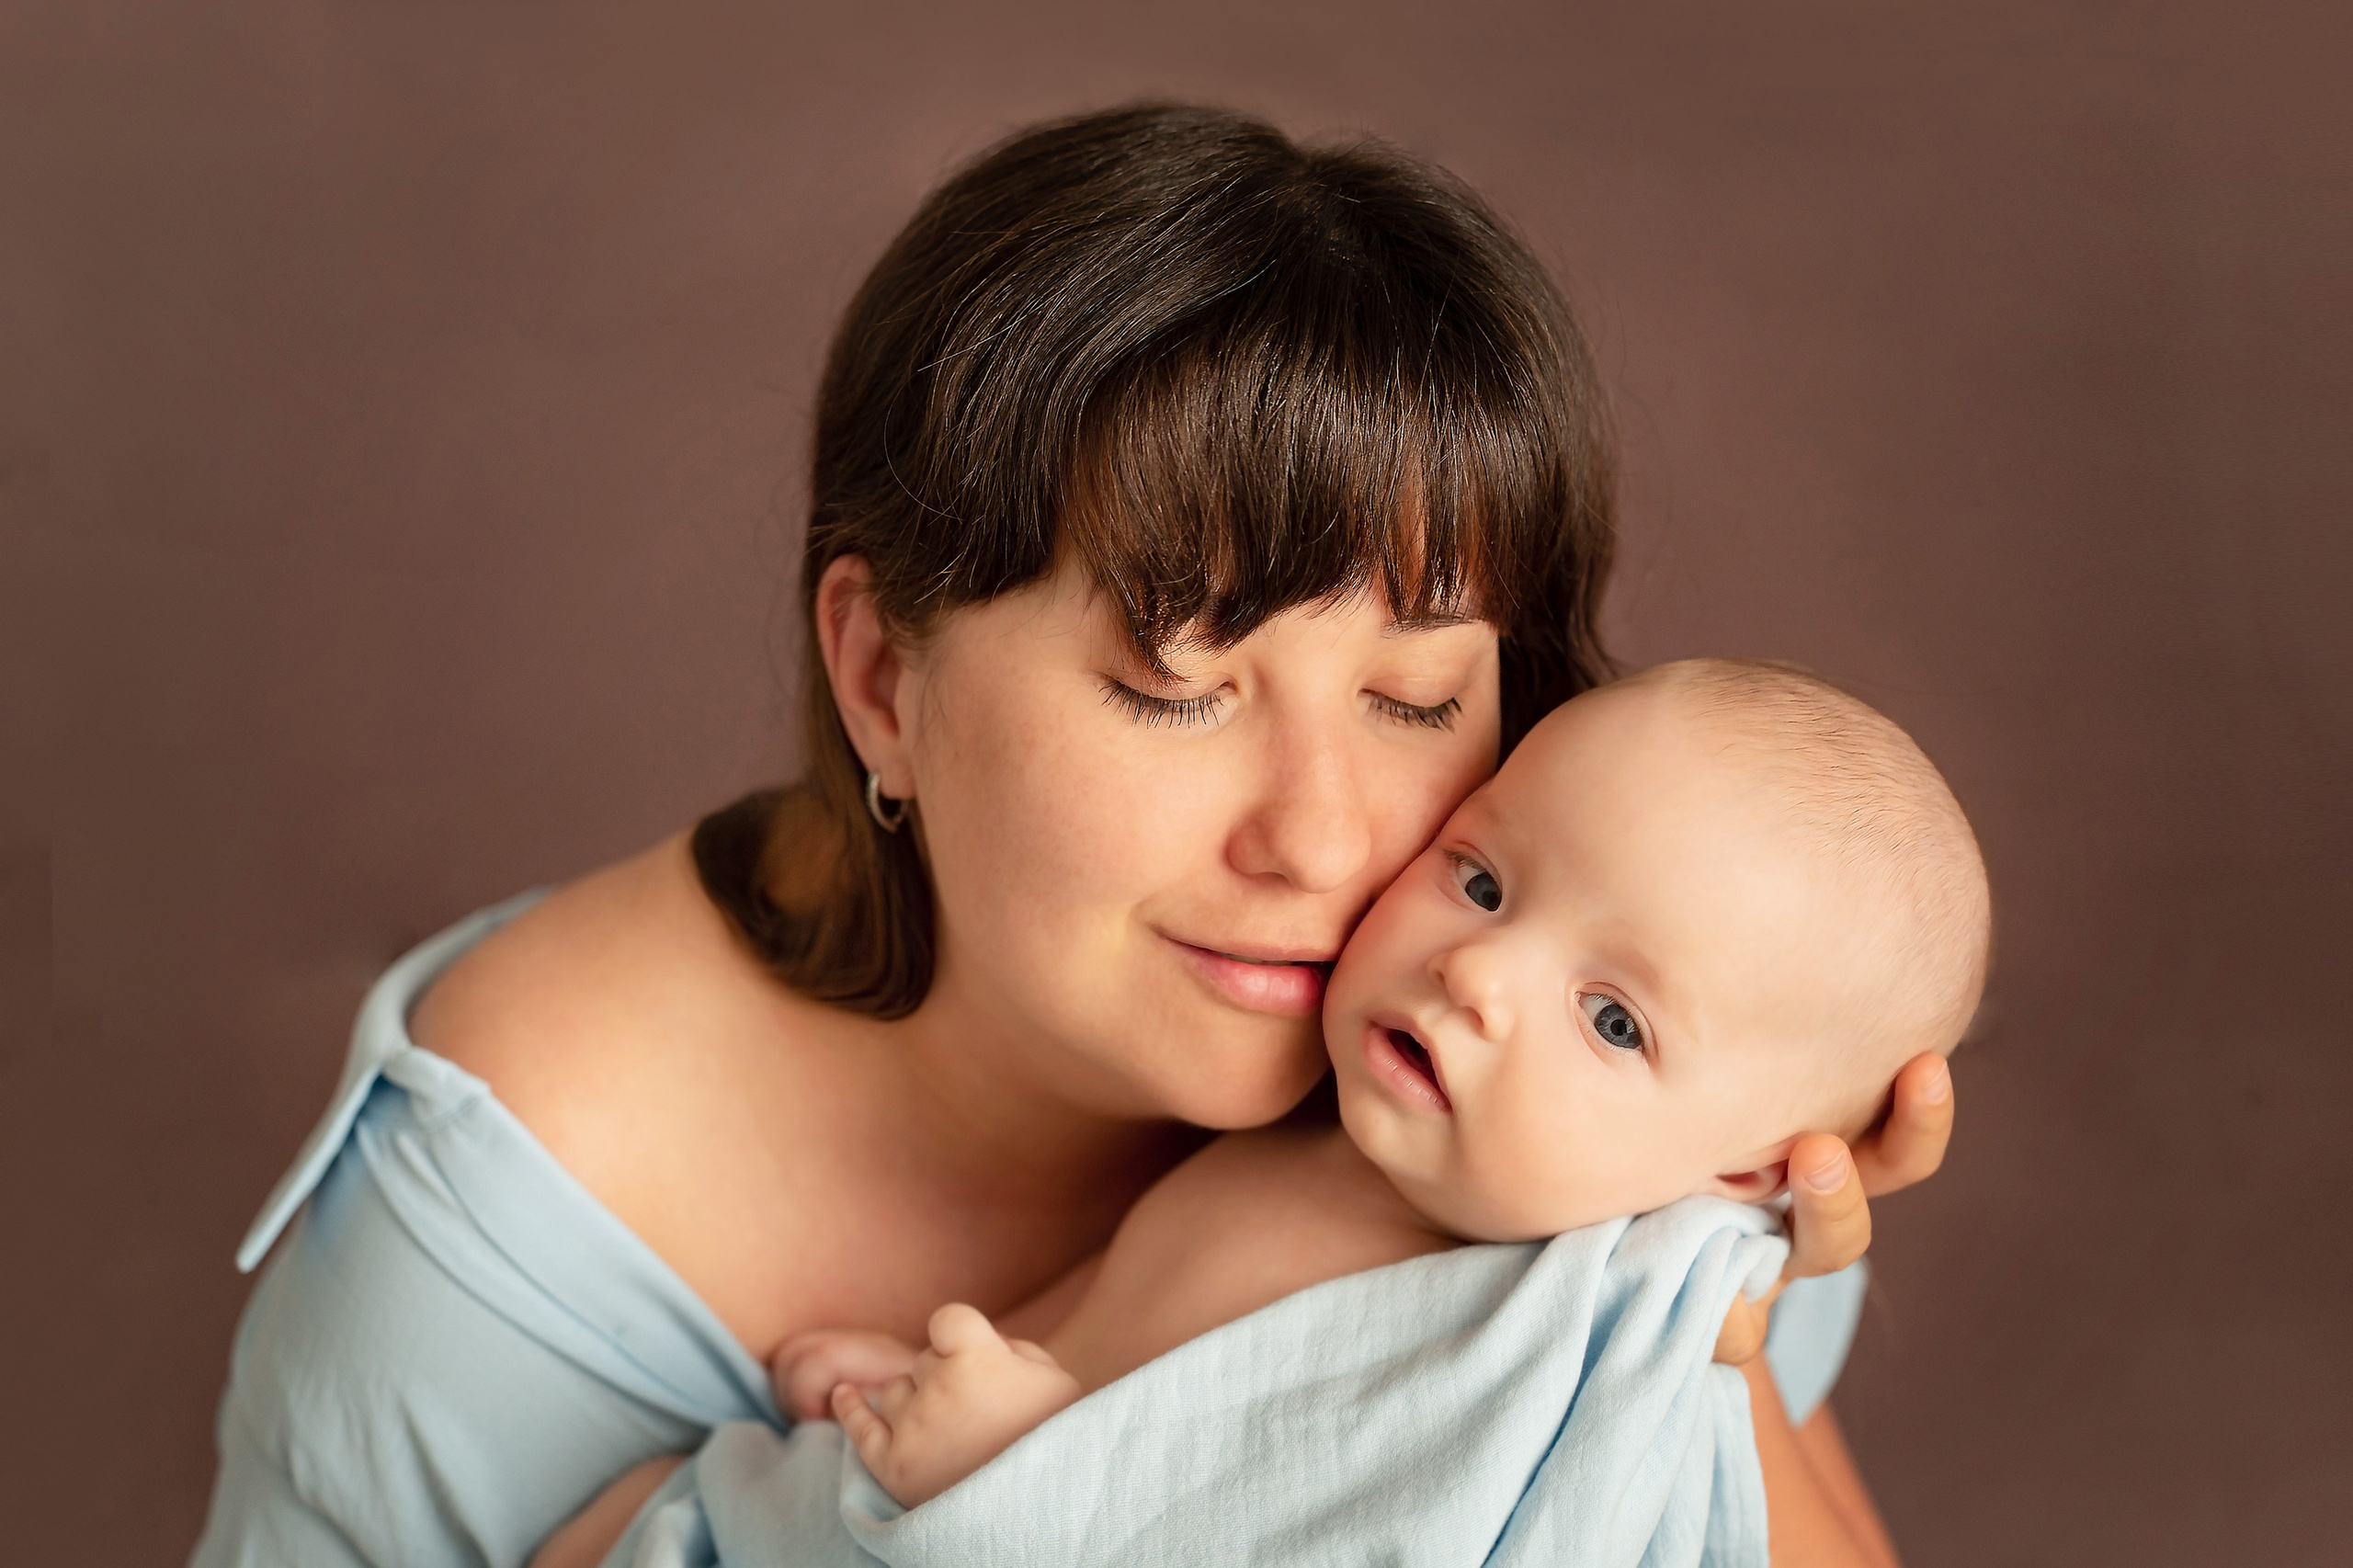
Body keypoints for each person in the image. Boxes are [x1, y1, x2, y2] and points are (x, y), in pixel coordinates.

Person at [192, 106, 1952, 1568]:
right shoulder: (477, 1264)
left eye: (1417, 702)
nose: (1329, 837)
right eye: (1181, 686)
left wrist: (1681, 1322)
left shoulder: (1531, 1047)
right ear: (886, 676)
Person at [779, 659, 1985, 1565]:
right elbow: (1111, 1329)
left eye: (1613, 1019)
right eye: (1481, 879)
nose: (1477, 972)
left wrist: (1014, 1472)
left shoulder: (1531, 1359)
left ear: (1736, 1171)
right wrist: (927, 1378)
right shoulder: (1303, 1143)